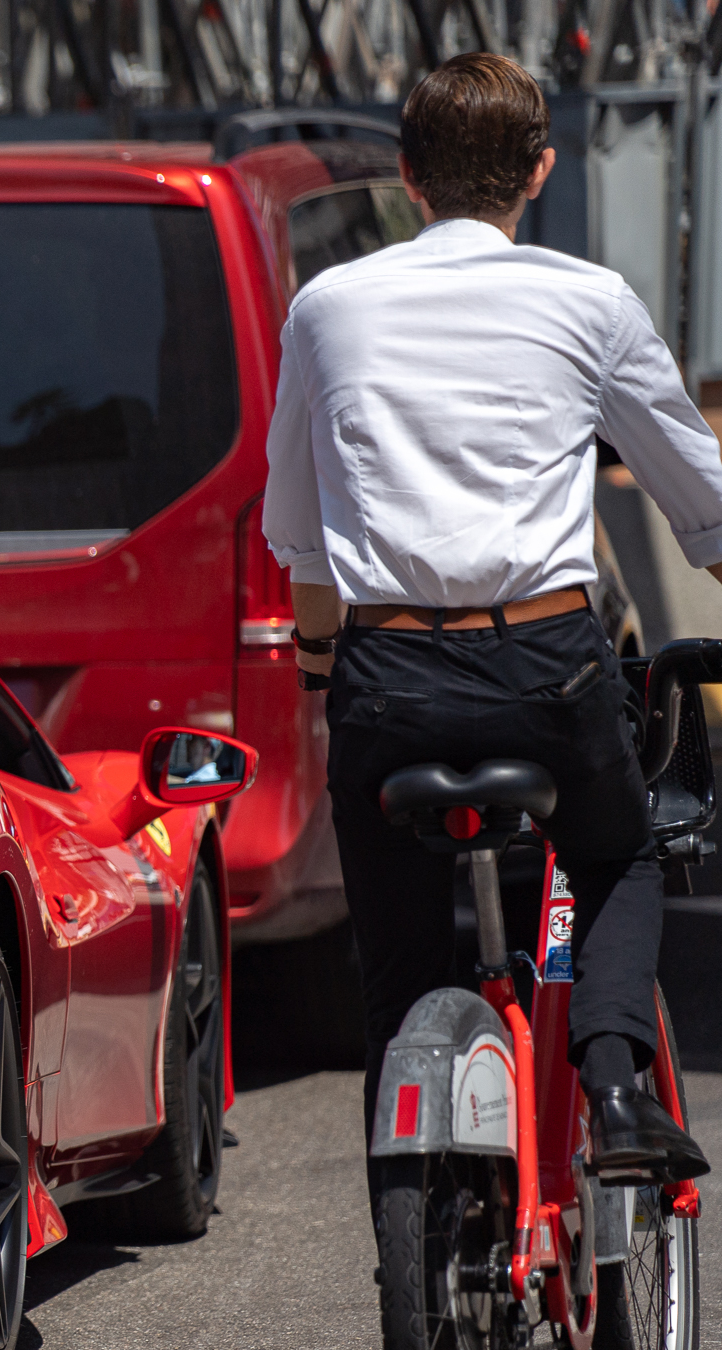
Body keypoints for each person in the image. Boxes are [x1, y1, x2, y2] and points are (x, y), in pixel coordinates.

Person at [262, 51, 716, 1181]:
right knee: (616, 857)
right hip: (546, 669)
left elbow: (297, 531)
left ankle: (413, 1239)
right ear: (540, 171)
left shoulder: (326, 309)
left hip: (387, 678)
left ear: (407, 177)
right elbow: (698, 503)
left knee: (397, 971)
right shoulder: (588, 303)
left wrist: (324, 669)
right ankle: (614, 1091)